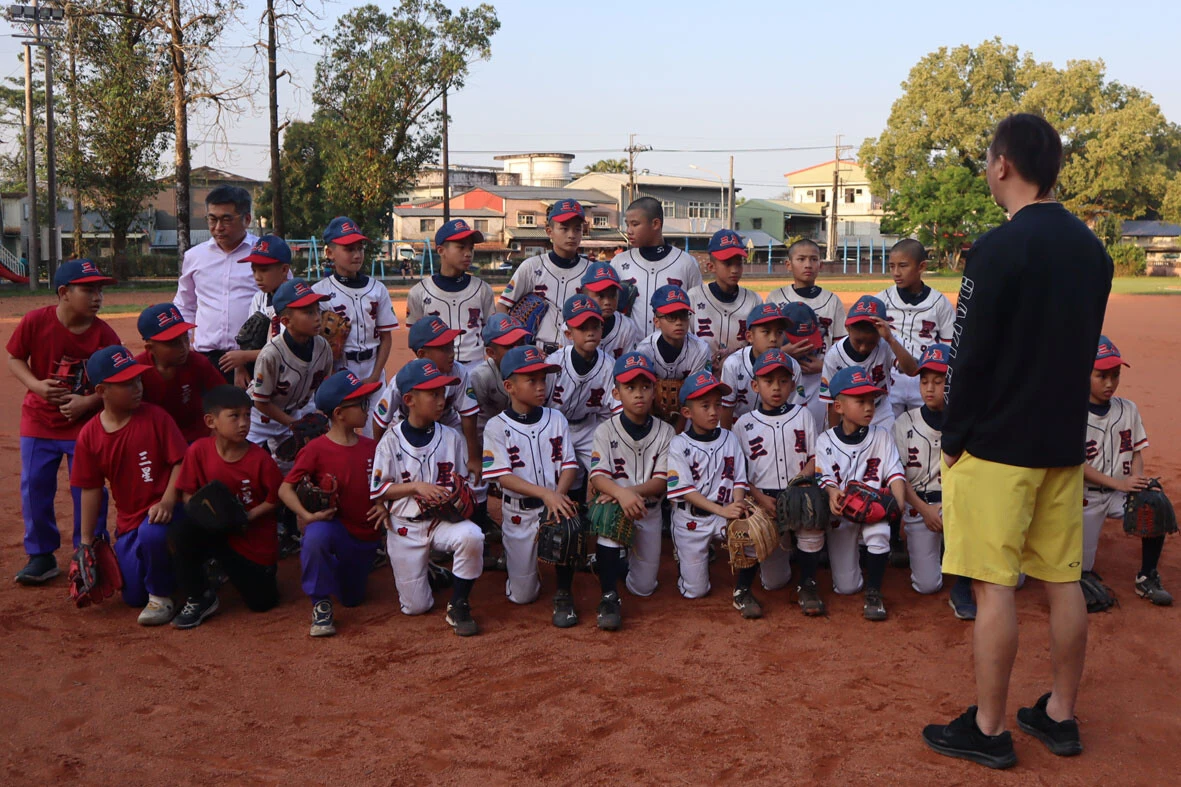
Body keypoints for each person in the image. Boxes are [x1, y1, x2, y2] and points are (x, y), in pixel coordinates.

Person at [923, 113, 1113, 770]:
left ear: (1002, 164)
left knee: (991, 585)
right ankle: (1059, 712)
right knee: (1062, 578)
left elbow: (967, 356)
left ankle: (988, 726)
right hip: (1060, 440)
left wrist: (953, 436)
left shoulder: (996, 247)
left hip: (994, 445)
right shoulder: (1093, 251)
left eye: (986, 157)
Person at [8, 259, 118, 584]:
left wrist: (88, 401)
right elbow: (15, 357)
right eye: (88, 289)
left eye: (100, 290)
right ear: (64, 293)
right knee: (35, 486)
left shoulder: (104, 333)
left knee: (87, 487)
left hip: (84, 424)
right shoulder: (35, 321)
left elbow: (118, 379)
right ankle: (41, 556)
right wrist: (36, 385)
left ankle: (90, 551)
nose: (97, 297)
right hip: (39, 420)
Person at [71, 345, 187, 625]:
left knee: (154, 533)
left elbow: (181, 463)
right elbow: (90, 488)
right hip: (129, 521)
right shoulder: (90, 435)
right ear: (101, 391)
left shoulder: (156, 417)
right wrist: (86, 541)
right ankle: (173, 573)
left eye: (137, 380)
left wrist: (168, 501)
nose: (137, 388)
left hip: (170, 512)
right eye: (126, 383)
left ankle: (162, 598)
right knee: (133, 596)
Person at [371, 360, 484, 636]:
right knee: (416, 607)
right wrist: (415, 488)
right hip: (406, 527)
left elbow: (461, 482)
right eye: (433, 394)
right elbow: (378, 489)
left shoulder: (452, 437)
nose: (441, 399)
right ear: (408, 399)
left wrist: (461, 497)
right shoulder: (390, 440)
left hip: (442, 522)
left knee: (472, 536)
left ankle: (459, 604)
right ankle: (431, 571)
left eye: (443, 393)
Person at [279, 370, 389, 637]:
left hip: (365, 537)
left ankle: (342, 572)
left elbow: (387, 485)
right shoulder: (316, 449)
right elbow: (285, 489)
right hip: (336, 529)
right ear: (339, 414)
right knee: (316, 535)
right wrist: (307, 514)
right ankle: (320, 602)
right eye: (361, 404)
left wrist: (385, 504)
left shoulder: (372, 447)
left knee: (352, 598)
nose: (367, 407)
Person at [170, 385, 284, 628]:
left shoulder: (261, 460)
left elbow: (275, 501)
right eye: (234, 416)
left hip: (250, 539)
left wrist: (244, 517)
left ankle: (224, 567)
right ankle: (200, 595)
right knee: (181, 532)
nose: (243, 423)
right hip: (218, 531)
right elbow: (188, 494)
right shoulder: (198, 451)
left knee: (263, 603)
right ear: (211, 421)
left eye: (247, 415)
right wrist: (208, 518)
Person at [481, 346, 580, 623]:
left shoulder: (556, 418)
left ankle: (563, 592)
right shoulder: (496, 427)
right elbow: (503, 476)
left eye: (543, 379)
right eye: (532, 380)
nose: (541, 387)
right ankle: (518, 568)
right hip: (519, 514)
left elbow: (569, 465)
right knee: (522, 596)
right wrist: (547, 495)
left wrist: (557, 498)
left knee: (567, 526)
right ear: (509, 386)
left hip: (553, 505)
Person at [588, 352, 674, 625]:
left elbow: (661, 482)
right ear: (616, 392)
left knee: (644, 587)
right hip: (615, 506)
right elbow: (597, 478)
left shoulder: (665, 432)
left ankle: (618, 564)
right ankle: (609, 595)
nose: (639, 394)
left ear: (654, 390)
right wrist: (619, 494)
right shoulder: (604, 430)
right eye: (630, 387)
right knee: (608, 517)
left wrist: (627, 492)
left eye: (645, 387)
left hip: (648, 511)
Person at [1082, 337, 1170, 605]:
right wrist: (1119, 484)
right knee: (1080, 572)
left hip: (1122, 492)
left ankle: (1147, 577)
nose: (1110, 383)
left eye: (1115, 375)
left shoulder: (1127, 409)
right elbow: (1076, 466)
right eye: (1101, 376)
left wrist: (1138, 482)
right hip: (1084, 497)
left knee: (1154, 503)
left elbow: (1135, 452)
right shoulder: (1071, 415)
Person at [816, 365, 907, 621]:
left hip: (874, 512)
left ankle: (874, 592)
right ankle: (858, 562)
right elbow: (824, 478)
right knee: (846, 587)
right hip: (842, 516)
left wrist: (898, 508)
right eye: (860, 401)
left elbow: (895, 474)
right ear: (839, 407)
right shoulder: (825, 440)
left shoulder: (882, 436)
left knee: (879, 532)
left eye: (871, 400)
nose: (869, 407)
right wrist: (833, 493)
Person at [666, 370, 758, 617]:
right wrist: (723, 510)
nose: (713, 411)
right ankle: (686, 559)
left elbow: (739, 479)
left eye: (717, 405)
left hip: (723, 516)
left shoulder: (729, 438)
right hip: (690, 520)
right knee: (695, 591)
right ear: (687, 412)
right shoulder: (679, 444)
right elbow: (685, 491)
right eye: (704, 406)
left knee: (751, 537)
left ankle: (743, 590)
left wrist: (737, 510)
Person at [893, 344, 976, 618]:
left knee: (1016, 579)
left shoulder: (967, 421)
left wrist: (952, 507)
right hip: (920, 508)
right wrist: (925, 510)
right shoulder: (904, 423)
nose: (929, 388)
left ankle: (962, 586)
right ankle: (938, 549)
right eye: (924, 380)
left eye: (938, 382)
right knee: (927, 585)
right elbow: (898, 477)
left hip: (959, 507)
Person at [734, 349, 819, 613]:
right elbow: (740, 473)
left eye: (783, 381)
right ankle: (742, 589)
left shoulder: (803, 415)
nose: (776, 387)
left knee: (812, 516)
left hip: (797, 490)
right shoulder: (744, 423)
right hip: (763, 498)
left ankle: (807, 583)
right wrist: (758, 498)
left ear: (793, 384)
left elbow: (815, 457)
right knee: (773, 581)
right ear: (755, 385)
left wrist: (798, 485)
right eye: (769, 381)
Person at [372, 318, 480, 482]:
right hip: (406, 425)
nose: (452, 353)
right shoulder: (404, 378)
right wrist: (378, 451)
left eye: (451, 345)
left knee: (472, 476)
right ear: (422, 354)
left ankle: (478, 506)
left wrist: (473, 457)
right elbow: (380, 419)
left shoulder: (459, 371)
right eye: (444, 348)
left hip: (447, 422)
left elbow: (468, 415)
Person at [174, 185, 258, 381]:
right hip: (206, 359)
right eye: (212, 219)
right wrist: (185, 346)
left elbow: (280, 304)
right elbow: (185, 304)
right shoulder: (195, 256)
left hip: (251, 360)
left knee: (248, 411)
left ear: (247, 219)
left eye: (226, 219)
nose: (218, 227)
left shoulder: (264, 254)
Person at [312, 217, 398, 405]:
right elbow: (315, 344)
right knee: (339, 428)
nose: (357, 254)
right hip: (339, 368)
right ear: (330, 253)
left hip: (372, 367)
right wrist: (332, 374)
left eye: (360, 248)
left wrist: (375, 375)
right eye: (349, 249)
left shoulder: (377, 289)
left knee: (374, 431)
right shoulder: (319, 293)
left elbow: (386, 337)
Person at [248, 278, 334, 461]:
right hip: (259, 418)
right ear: (286, 321)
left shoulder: (323, 347)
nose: (318, 317)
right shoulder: (271, 354)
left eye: (318, 309)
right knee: (245, 465)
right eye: (308, 312)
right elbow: (260, 402)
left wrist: (319, 414)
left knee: (293, 471)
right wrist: (294, 424)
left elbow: (324, 387)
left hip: (295, 413)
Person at [544, 295, 620, 496]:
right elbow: (540, 404)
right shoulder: (554, 364)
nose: (590, 333)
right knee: (561, 478)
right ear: (569, 333)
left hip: (589, 427)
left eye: (595, 327)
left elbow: (615, 412)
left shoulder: (609, 365)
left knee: (610, 474)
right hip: (556, 427)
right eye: (583, 328)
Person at [497, 200, 592, 353]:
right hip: (537, 352)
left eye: (577, 229)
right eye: (564, 228)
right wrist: (516, 344)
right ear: (549, 232)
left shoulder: (591, 271)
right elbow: (502, 306)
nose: (571, 235)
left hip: (576, 354)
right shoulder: (531, 266)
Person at [876, 240, 955, 419]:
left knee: (926, 431)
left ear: (921, 267)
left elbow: (949, 350)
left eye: (903, 266)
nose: (896, 272)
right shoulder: (881, 300)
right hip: (891, 378)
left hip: (926, 381)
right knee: (889, 434)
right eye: (892, 266)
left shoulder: (939, 303)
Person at [819, 294, 917, 430]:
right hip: (847, 414)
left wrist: (891, 340)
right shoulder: (834, 355)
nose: (863, 347)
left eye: (871, 342)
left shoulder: (887, 343)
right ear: (848, 328)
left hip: (879, 412)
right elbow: (831, 402)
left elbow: (912, 371)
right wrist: (834, 436)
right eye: (858, 341)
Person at [406, 219, 495, 365]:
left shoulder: (483, 289)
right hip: (437, 369)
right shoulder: (418, 292)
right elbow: (416, 339)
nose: (468, 253)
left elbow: (490, 333)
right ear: (441, 250)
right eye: (461, 247)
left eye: (471, 248)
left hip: (475, 366)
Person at [135, 304, 226, 443]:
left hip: (197, 438)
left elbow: (224, 396)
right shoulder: (138, 371)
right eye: (173, 343)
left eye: (185, 338)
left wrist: (217, 428)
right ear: (150, 348)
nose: (184, 347)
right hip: (155, 439)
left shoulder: (198, 362)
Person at [610, 197, 704, 329]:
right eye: (627, 224)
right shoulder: (619, 262)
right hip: (629, 346)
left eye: (635, 224)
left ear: (655, 224)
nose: (629, 231)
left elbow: (698, 310)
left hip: (673, 348)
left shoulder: (686, 262)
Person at [631, 285, 711, 430]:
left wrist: (677, 434)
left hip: (688, 417)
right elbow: (641, 394)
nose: (679, 322)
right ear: (657, 321)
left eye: (683, 315)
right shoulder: (644, 351)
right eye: (671, 317)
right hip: (650, 416)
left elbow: (695, 396)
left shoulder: (700, 349)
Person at [219, 235, 292, 387]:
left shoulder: (298, 299)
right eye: (254, 270)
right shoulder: (259, 298)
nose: (257, 277)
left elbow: (288, 349)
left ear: (284, 269)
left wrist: (244, 357)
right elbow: (249, 339)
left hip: (292, 378)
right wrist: (240, 368)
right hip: (266, 374)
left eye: (264, 270)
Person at [688, 229, 762, 371]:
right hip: (701, 377)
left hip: (742, 378)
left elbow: (759, 346)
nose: (734, 270)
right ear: (711, 267)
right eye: (728, 263)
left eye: (738, 263)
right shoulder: (694, 297)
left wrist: (734, 356)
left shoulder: (754, 300)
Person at [719, 303, 801, 429]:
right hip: (739, 431)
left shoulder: (792, 365)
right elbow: (726, 409)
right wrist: (726, 442)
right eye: (766, 332)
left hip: (778, 430)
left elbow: (795, 412)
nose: (773, 338)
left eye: (779, 332)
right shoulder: (733, 364)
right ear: (750, 336)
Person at [767, 238, 846, 353]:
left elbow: (840, 344)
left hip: (822, 369)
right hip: (784, 368)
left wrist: (824, 365)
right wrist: (783, 352)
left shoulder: (832, 300)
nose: (808, 265)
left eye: (814, 259)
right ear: (789, 265)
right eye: (801, 259)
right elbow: (766, 341)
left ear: (821, 265)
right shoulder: (775, 297)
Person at [470, 313, 531, 432]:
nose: (517, 350)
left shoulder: (534, 369)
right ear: (491, 352)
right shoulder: (481, 377)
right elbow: (476, 426)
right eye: (509, 346)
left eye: (521, 343)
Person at [580, 261, 640, 360]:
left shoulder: (627, 326)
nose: (607, 302)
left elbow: (628, 365)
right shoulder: (571, 325)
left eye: (612, 295)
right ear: (585, 295)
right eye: (601, 296)